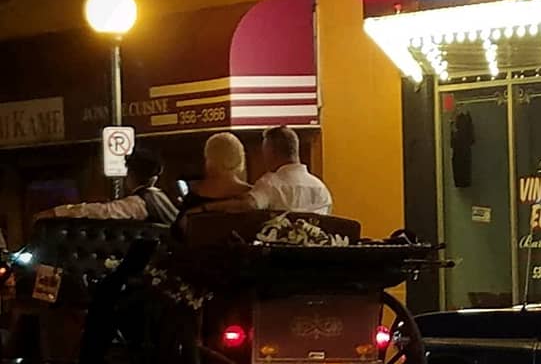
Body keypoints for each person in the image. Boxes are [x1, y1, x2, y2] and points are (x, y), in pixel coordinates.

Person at [197, 125, 332, 215]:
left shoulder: (271, 183)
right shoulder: (321, 189)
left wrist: (206, 208)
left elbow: (247, 205)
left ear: (271, 151)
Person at [35, 145, 179, 225]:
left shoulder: (138, 203)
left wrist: (56, 212)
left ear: (130, 175)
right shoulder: (161, 198)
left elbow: (101, 211)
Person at [176, 132, 252, 217]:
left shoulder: (192, 199)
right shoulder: (253, 196)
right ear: (240, 156)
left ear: (209, 158)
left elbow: (179, 228)